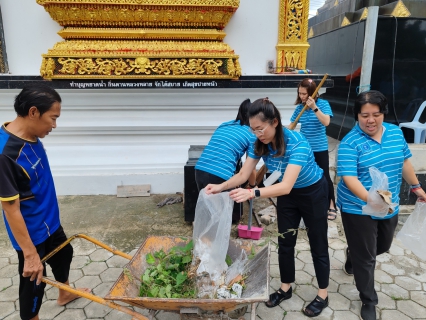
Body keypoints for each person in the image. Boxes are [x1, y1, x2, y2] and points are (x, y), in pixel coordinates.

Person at [205, 98, 330, 317]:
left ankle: (323, 294)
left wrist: (251, 192)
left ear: (275, 122)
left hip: (313, 192)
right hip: (288, 197)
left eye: (260, 128)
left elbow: (286, 185)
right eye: (253, 129)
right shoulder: (259, 144)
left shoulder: (297, 142)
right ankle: (285, 288)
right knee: (285, 242)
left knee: (317, 242)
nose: (257, 134)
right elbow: (244, 174)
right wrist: (220, 187)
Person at [0, 84, 89, 320]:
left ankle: (65, 294)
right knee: (33, 285)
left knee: (64, 254)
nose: (54, 125)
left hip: (49, 220)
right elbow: (10, 208)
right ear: (33, 112)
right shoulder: (6, 155)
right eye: (53, 118)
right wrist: (30, 255)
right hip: (31, 233)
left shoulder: (30, 134)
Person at [336, 90, 426, 320]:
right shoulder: (350, 143)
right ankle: (368, 299)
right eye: (365, 115)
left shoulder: (395, 133)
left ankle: (352, 253)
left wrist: (416, 187)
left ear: (383, 114)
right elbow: (349, 178)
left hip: (390, 204)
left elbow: (404, 162)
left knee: (383, 246)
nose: (370, 120)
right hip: (358, 207)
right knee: (366, 258)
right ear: (357, 115)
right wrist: (370, 199)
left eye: (376, 114)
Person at [289, 78, 338, 220]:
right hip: (305, 148)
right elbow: (291, 126)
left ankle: (331, 205)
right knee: (304, 174)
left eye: (304, 94)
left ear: (313, 93)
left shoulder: (323, 104)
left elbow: (326, 122)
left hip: (319, 147)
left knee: (325, 176)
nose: (302, 96)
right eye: (300, 93)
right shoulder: (299, 108)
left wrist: (314, 108)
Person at [195, 98, 256, 199]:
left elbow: (220, 150)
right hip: (220, 174)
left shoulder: (225, 124)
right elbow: (251, 168)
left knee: (208, 209)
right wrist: (253, 185)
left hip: (200, 169)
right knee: (220, 212)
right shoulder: (252, 133)